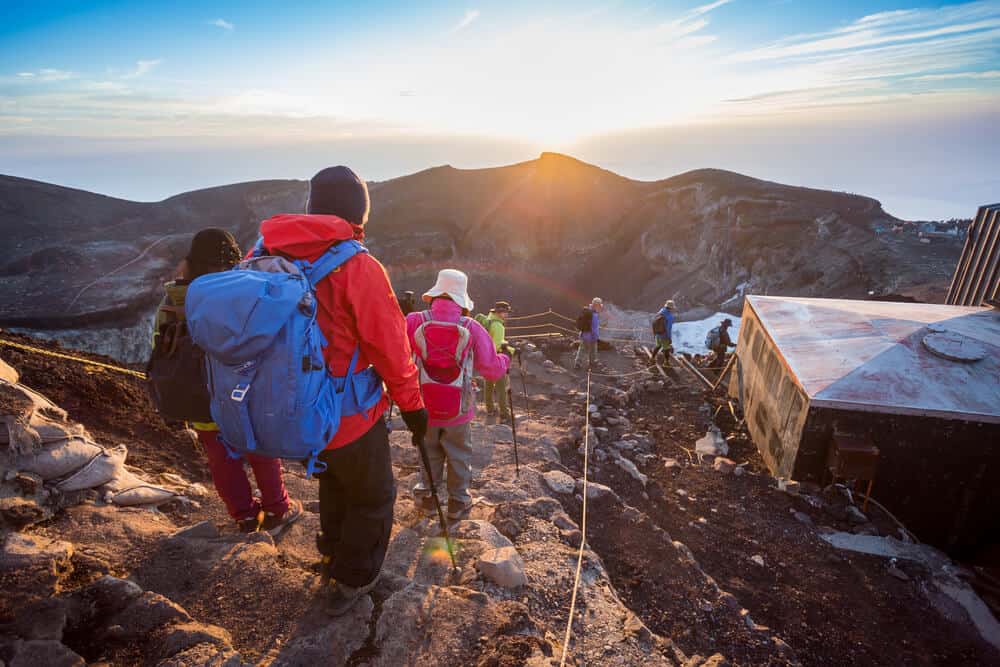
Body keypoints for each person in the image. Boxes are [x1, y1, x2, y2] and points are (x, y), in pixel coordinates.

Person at [255, 166, 427, 616]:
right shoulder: (358, 266)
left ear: (312, 208)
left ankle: (331, 554)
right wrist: (413, 406)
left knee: (332, 481)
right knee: (372, 495)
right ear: (358, 215)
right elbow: (390, 347)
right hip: (348, 414)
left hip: (287, 409)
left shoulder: (265, 254)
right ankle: (352, 579)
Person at [152, 229, 303, 535]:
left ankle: (245, 517)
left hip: (199, 397)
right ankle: (276, 510)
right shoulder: (242, 292)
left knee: (220, 459)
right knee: (260, 450)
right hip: (242, 393)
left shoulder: (174, 298)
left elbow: (158, 341)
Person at [406, 271, 510, 521]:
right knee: (459, 453)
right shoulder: (470, 326)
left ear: (435, 294)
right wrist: (505, 358)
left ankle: (429, 499)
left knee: (428, 451)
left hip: (423, 404)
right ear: (461, 300)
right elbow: (491, 369)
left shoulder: (413, 320)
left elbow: (397, 355)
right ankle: (458, 501)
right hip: (459, 407)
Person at [481, 301, 515, 421]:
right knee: (501, 387)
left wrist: (505, 344)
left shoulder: (488, 321)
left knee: (489, 385)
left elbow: (491, 340)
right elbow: (495, 345)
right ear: (501, 313)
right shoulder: (499, 326)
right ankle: (504, 414)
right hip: (495, 358)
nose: (507, 315)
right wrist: (510, 350)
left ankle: (490, 409)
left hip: (484, 358)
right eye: (506, 312)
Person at [574, 297, 603, 370]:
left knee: (582, 349)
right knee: (593, 350)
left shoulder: (587, 311)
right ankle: (592, 362)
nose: (600, 307)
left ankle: (577, 363)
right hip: (591, 337)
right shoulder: (594, 315)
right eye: (599, 306)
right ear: (597, 305)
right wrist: (596, 337)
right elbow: (594, 328)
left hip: (584, 335)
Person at [651, 300, 677, 367]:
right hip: (664, 335)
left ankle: (652, 358)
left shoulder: (660, 312)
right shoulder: (670, 316)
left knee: (658, 346)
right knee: (666, 349)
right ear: (671, 308)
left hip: (657, 334)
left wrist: (655, 333)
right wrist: (669, 338)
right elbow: (668, 328)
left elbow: (654, 322)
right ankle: (666, 362)